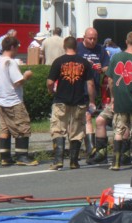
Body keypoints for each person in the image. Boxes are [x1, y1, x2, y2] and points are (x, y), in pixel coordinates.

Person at [46, 36, 96, 170]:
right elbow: (90, 83)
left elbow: (50, 82)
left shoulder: (58, 62)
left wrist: (51, 91)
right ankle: (74, 161)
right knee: (77, 131)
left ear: (64, 46)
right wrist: (92, 101)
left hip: (61, 100)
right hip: (79, 102)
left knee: (58, 129)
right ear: (76, 47)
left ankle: (58, 161)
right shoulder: (84, 63)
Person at [103, 31, 132, 171]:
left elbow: (110, 80)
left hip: (120, 102)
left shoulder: (116, 58)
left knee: (118, 130)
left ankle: (116, 163)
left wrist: (113, 97)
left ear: (126, 41)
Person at [0, 36, 39, 166]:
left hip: (0, 99)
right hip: (13, 100)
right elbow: (17, 82)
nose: (18, 49)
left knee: (4, 128)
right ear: (12, 47)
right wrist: (26, 76)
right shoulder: (10, 62)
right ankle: (22, 156)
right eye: (17, 47)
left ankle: (5, 157)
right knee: (23, 126)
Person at [77, 27, 110, 157]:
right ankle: (90, 147)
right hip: (79, 87)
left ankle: (90, 147)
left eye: (95, 39)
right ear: (84, 37)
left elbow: (108, 67)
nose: (92, 41)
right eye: (90, 38)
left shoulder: (100, 49)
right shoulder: (78, 48)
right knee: (87, 117)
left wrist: (101, 68)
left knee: (88, 117)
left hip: (93, 88)